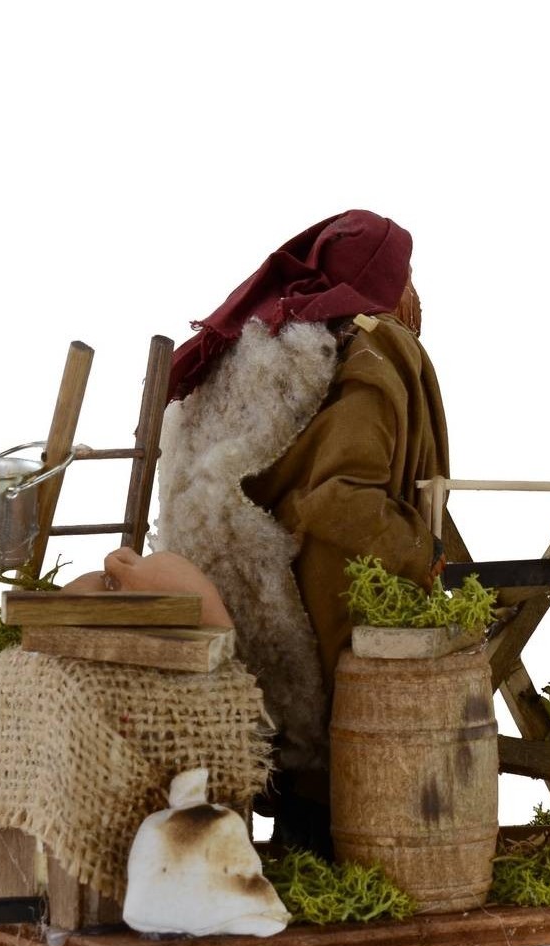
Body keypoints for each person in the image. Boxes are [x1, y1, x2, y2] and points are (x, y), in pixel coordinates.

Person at [154, 210, 450, 851]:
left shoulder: (272, 341)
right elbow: (343, 498)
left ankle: (299, 845)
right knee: (337, 787)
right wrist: (420, 552)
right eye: (406, 274)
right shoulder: (375, 351)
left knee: (304, 784)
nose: (415, 293)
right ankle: (332, 851)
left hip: (260, 596)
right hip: (328, 595)